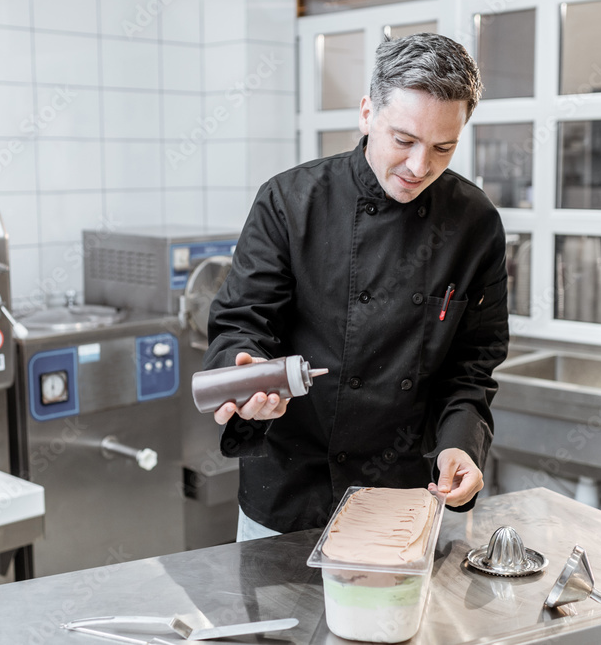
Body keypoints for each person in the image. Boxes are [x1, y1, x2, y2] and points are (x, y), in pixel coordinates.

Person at [203, 33, 509, 540]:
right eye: (404, 141)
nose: (419, 167)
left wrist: (460, 444)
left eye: (443, 148)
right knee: (277, 622)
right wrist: (248, 374)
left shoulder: (474, 224)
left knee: (401, 622)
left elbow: (472, 366)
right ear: (368, 113)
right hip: (291, 495)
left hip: (406, 498)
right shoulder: (290, 201)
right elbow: (241, 323)